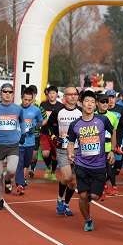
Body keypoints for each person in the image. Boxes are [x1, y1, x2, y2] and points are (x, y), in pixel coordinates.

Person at [67, 89, 116, 231]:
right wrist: (70, 153)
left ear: (95, 105)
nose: (90, 104)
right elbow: (71, 142)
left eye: (93, 102)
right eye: (87, 101)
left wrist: (112, 150)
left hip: (99, 164)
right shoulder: (75, 124)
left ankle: (89, 198)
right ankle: (88, 220)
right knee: (82, 196)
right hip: (81, 164)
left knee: (94, 196)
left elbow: (113, 132)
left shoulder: (102, 120)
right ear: (80, 103)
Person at [0, 83, 26, 210]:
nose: (8, 94)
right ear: (0, 93)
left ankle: (8, 180)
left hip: (13, 145)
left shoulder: (18, 109)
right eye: (5, 91)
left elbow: (22, 121)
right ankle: (0, 199)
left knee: (12, 170)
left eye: (10, 92)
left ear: (13, 94)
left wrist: (23, 134)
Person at [48, 85, 83, 216]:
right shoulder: (58, 111)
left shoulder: (81, 111)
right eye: (70, 94)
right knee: (67, 177)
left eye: (75, 94)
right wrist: (54, 137)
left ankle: (66, 204)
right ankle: (59, 199)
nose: (73, 96)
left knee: (73, 182)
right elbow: (49, 126)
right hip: (63, 148)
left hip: (78, 150)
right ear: (64, 97)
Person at [14, 89, 43, 195]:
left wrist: (35, 128)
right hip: (18, 142)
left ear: (32, 100)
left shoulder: (36, 110)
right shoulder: (16, 109)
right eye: (25, 99)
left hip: (30, 142)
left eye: (29, 100)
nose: (26, 102)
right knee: (20, 164)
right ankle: (20, 184)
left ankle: (20, 179)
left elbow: (40, 121)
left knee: (27, 162)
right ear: (21, 98)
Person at [95, 93, 119, 199]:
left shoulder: (113, 116)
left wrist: (115, 148)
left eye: (106, 102)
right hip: (96, 148)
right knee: (100, 170)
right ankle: (101, 190)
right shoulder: (93, 115)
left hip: (109, 147)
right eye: (102, 102)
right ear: (97, 103)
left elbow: (116, 132)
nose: (105, 104)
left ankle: (106, 185)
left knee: (109, 171)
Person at [39, 85, 64, 181]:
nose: (52, 95)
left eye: (54, 93)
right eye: (50, 93)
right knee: (45, 154)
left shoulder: (61, 106)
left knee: (55, 156)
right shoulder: (43, 105)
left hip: (56, 133)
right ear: (47, 94)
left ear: (57, 94)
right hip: (45, 132)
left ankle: (53, 171)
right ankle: (48, 167)